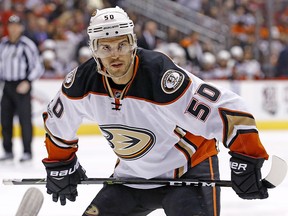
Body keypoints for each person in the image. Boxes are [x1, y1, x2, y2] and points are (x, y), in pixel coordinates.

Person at [41, 7, 269, 216]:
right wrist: (60, 163)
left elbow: (230, 109)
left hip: (188, 171)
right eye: (105, 47)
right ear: (94, 50)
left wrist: (246, 158)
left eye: (122, 45)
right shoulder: (82, 81)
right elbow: (57, 121)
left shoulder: (161, 77)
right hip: (132, 178)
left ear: (133, 43)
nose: (115, 55)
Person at [0, 15, 44, 162]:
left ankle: (27, 151)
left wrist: (28, 81)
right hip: (7, 85)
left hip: (22, 85)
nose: (13, 28)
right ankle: (7, 151)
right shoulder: (3, 44)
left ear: (21, 28)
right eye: (10, 25)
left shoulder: (27, 45)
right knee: (5, 119)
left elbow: (38, 66)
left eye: (16, 25)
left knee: (25, 120)